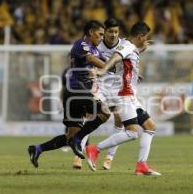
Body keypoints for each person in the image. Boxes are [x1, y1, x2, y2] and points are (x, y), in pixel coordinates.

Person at [27, 20, 111, 168]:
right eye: (100, 34)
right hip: (76, 89)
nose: (102, 38)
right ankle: (78, 140)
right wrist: (106, 68)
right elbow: (92, 59)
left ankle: (37, 149)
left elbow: (110, 63)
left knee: (70, 135)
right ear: (91, 32)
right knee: (105, 113)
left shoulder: (97, 50)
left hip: (78, 93)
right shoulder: (81, 44)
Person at [84, 21, 161, 176]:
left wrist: (141, 49)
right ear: (140, 36)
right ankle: (94, 149)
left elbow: (126, 59)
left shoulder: (128, 45)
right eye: (145, 37)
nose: (146, 39)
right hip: (124, 95)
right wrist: (102, 70)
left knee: (150, 127)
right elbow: (115, 57)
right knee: (132, 133)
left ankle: (141, 165)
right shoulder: (127, 46)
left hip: (129, 94)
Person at [72, 18, 124, 170]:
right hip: (99, 84)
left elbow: (131, 59)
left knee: (119, 120)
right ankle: (78, 154)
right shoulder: (96, 43)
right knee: (90, 114)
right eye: (109, 32)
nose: (113, 35)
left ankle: (109, 158)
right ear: (104, 32)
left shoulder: (123, 45)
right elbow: (89, 58)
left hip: (116, 85)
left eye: (116, 31)